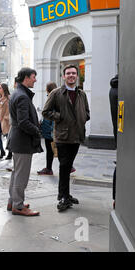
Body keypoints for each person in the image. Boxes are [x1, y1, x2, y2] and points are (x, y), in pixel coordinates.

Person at [42, 64, 90, 212]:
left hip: (77, 135)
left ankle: (66, 195)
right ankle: (62, 197)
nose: (71, 75)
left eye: (74, 73)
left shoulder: (82, 94)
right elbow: (46, 111)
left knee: (68, 166)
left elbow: (87, 112)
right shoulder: (56, 93)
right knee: (64, 166)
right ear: (64, 76)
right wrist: (60, 117)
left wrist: (84, 118)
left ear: (77, 76)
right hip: (63, 136)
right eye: (68, 73)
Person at [6, 68, 43, 216]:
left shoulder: (18, 92)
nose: (35, 80)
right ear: (26, 78)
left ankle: (13, 202)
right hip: (22, 141)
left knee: (16, 173)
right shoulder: (22, 96)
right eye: (34, 77)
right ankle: (18, 206)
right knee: (21, 175)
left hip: (18, 140)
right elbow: (23, 122)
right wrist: (37, 131)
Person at [37, 82, 58, 175]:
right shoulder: (57, 98)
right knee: (52, 150)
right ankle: (48, 168)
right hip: (50, 129)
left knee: (51, 150)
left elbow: (52, 116)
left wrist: (51, 131)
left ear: (47, 89)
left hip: (49, 130)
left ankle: (49, 169)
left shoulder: (53, 99)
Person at [0, 83, 11, 160]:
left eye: (0, 88)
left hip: (6, 120)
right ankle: (2, 151)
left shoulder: (9, 98)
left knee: (8, 137)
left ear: (4, 89)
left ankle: (10, 153)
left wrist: (8, 117)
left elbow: (11, 109)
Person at [109, 74, 118, 208]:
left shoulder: (114, 88)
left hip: (118, 133)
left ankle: (116, 198)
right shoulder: (120, 89)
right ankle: (117, 198)